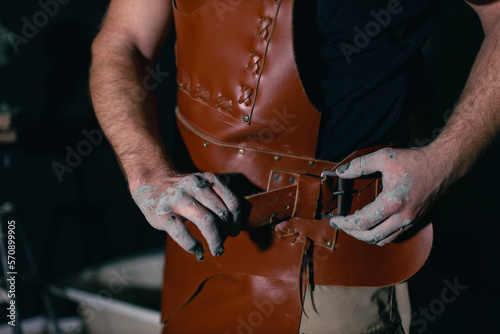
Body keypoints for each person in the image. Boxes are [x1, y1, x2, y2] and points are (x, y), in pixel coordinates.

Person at [89, 0, 500, 333]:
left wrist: (445, 160)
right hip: (198, 266)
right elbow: (123, 41)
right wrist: (147, 172)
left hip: (336, 263)